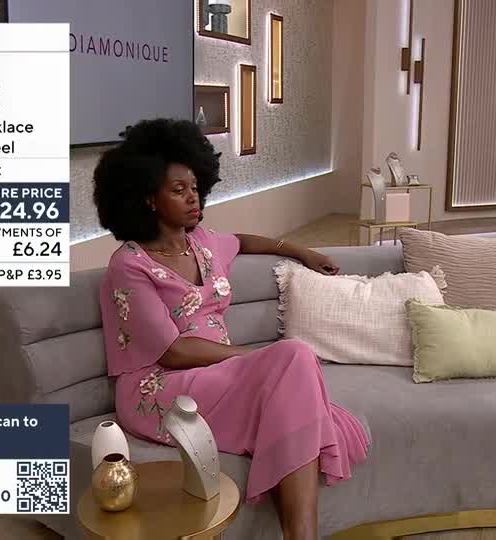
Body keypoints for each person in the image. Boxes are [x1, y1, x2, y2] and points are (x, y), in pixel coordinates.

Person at [92, 118, 370, 540]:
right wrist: (257, 358)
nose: (193, 197)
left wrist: (301, 251)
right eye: (178, 190)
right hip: (161, 389)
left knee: (290, 369)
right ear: (148, 198)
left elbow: (241, 240)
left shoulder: (201, 240)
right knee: (293, 358)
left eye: (195, 187)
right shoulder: (129, 265)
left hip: (217, 374)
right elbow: (173, 351)